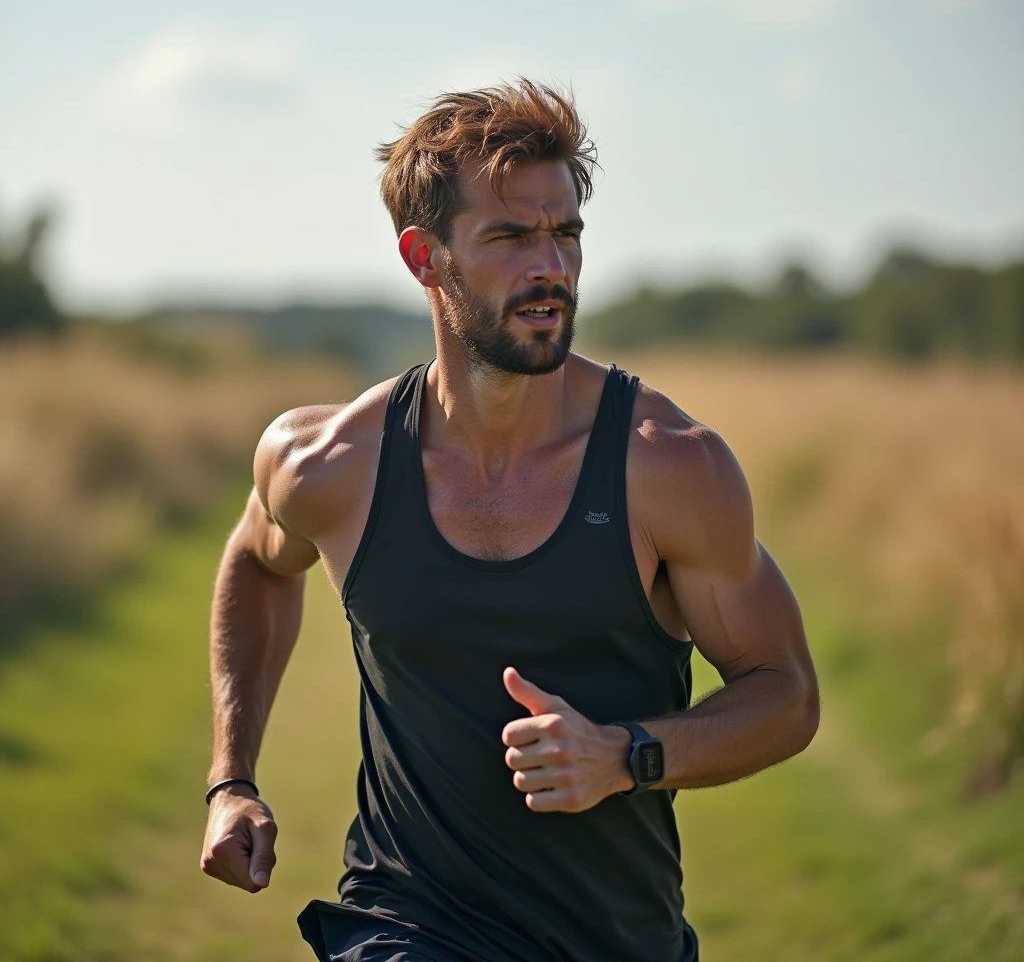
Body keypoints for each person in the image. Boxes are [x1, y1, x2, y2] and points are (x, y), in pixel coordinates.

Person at [199, 79, 820, 962]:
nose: (551, 267)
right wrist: (232, 779)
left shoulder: (670, 465)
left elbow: (786, 694)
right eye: (511, 237)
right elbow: (260, 562)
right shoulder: (329, 464)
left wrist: (624, 754)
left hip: (619, 938)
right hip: (402, 924)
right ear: (424, 258)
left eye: (566, 233)